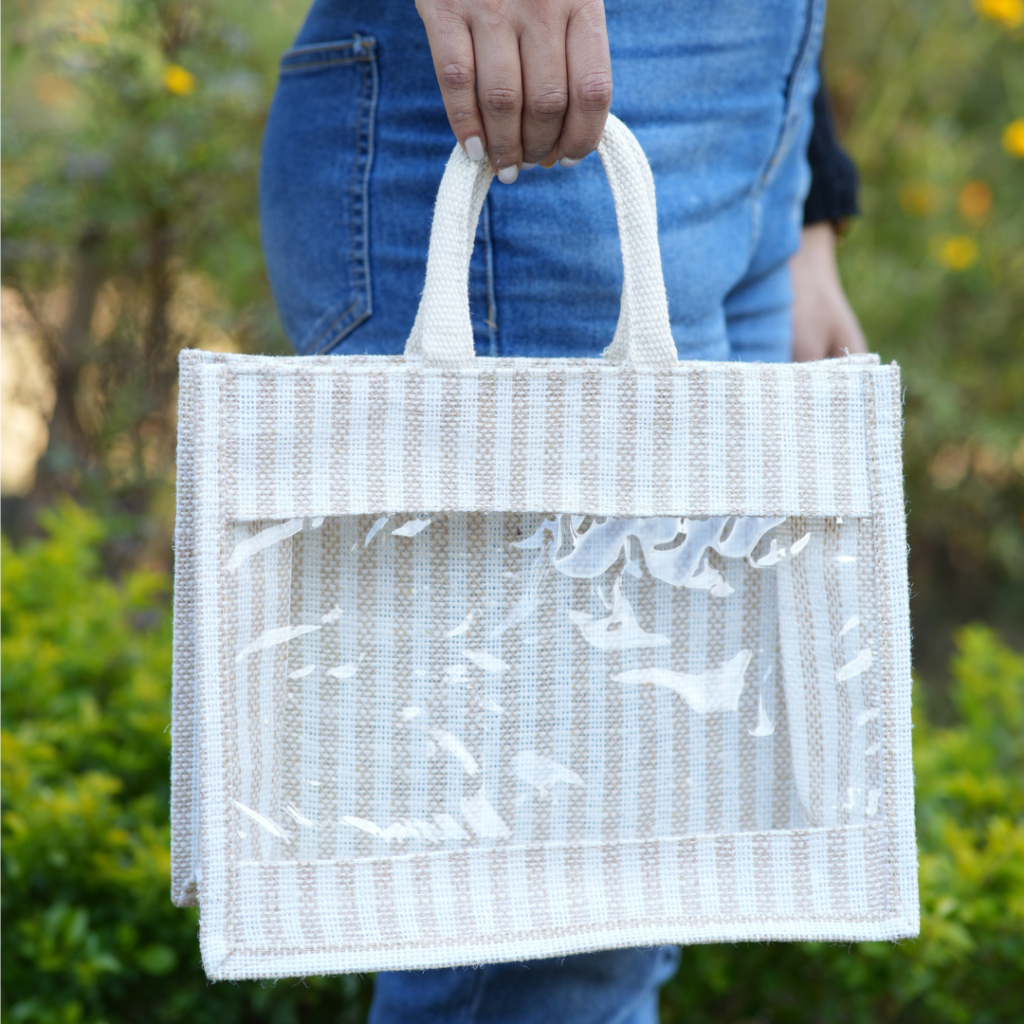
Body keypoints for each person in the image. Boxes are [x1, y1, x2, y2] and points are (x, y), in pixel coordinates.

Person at [258, 2, 866, 1020]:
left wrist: (802, 189)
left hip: (751, 115)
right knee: (535, 939)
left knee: (634, 900)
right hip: (532, 97)